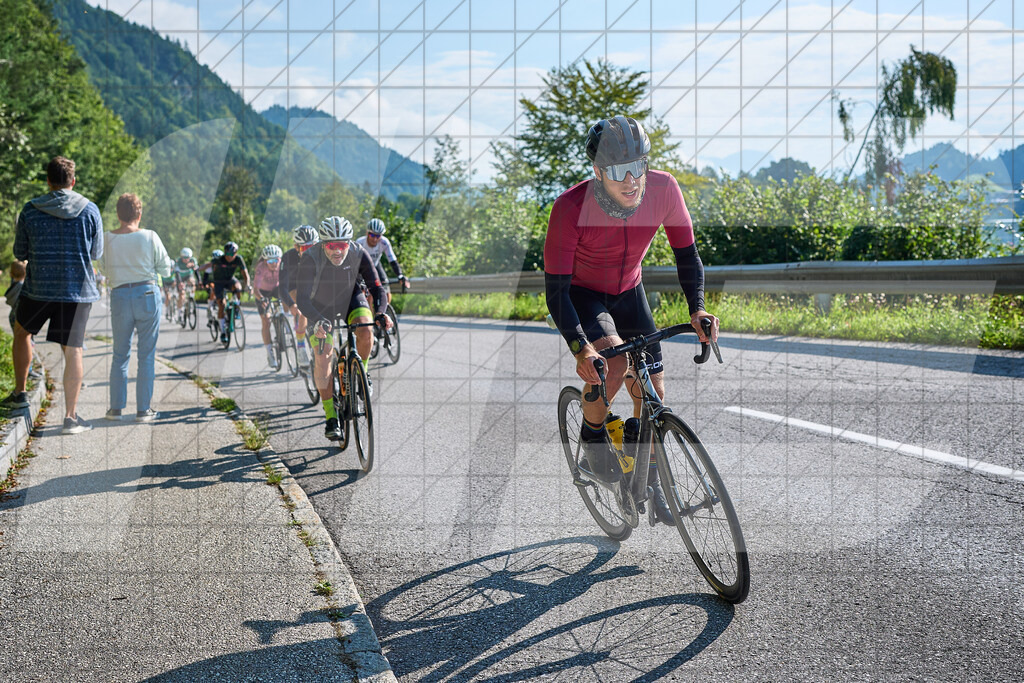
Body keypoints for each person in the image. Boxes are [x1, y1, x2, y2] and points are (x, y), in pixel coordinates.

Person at [543, 115, 717, 525]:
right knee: (614, 365)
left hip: (629, 290)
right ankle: (591, 438)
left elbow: (687, 255)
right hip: (584, 295)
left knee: (653, 390)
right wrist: (581, 347)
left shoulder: (665, 188)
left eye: (639, 167)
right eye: (620, 172)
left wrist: (697, 309)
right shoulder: (569, 208)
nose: (632, 180)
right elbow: (556, 291)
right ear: (598, 171)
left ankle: (650, 480)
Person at [6, 156, 103, 434]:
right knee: (73, 350)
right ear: (73, 181)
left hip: (38, 290)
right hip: (77, 292)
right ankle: (70, 418)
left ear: (48, 181)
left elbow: (19, 253)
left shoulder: (30, 210)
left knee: (22, 332)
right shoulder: (90, 210)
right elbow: (96, 253)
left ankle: (20, 394)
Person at [295, 216, 391, 440]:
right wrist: (317, 320)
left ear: (349, 243)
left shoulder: (359, 252)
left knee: (367, 331)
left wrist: (381, 312)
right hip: (320, 308)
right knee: (322, 355)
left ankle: (362, 371)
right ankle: (330, 416)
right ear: (322, 244)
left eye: (342, 245)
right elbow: (302, 300)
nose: (337, 251)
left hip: (350, 298)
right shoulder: (310, 258)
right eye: (331, 245)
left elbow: (377, 288)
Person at [102, 193, 174, 422]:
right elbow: (165, 270)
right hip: (146, 294)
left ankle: (115, 409)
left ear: (118, 214)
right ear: (139, 214)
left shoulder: (106, 238)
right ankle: (143, 410)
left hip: (120, 295)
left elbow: (103, 270)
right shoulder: (150, 237)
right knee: (146, 355)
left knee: (120, 354)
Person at [278, 225, 318, 367]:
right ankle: (301, 347)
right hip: (294, 286)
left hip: (312, 284)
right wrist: (291, 304)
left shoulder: (320, 253)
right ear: (296, 246)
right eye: (304, 248)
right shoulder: (288, 257)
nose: (309, 251)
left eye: (312, 247)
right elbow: (282, 286)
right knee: (303, 310)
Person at [354, 218, 411, 303]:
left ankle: (385, 310)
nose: (375, 239)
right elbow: (354, 264)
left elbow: (392, 259)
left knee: (386, 290)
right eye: (372, 235)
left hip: (376, 265)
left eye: (378, 236)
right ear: (367, 233)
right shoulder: (360, 243)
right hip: (362, 268)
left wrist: (400, 275)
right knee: (369, 294)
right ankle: (371, 314)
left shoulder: (384, 242)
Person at [251, 244, 284, 369]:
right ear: (265, 261)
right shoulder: (261, 268)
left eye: (276, 260)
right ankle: (269, 352)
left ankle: (282, 319)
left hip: (276, 289)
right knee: (266, 321)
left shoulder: (282, 264)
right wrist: (261, 299)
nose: (273, 263)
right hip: (263, 293)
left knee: (285, 295)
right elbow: (256, 289)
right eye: (270, 261)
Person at [210, 241, 249, 344]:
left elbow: (245, 273)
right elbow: (208, 267)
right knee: (221, 305)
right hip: (219, 282)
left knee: (238, 287)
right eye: (227, 254)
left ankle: (236, 308)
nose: (229, 256)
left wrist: (248, 284)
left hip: (230, 280)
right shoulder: (219, 260)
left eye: (231, 254)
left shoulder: (238, 259)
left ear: (236, 253)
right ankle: (223, 332)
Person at [172, 247, 198, 318]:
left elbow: (196, 271)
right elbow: (177, 273)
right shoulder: (178, 261)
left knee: (192, 281)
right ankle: (180, 312)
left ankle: (191, 296)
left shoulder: (193, 260)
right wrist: (180, 282)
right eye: (184, 258)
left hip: (188, 276)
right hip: (180, 277)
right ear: (181, 257)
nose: (186, 260)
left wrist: (200, 281)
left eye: (188, 258)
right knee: (181, 294)